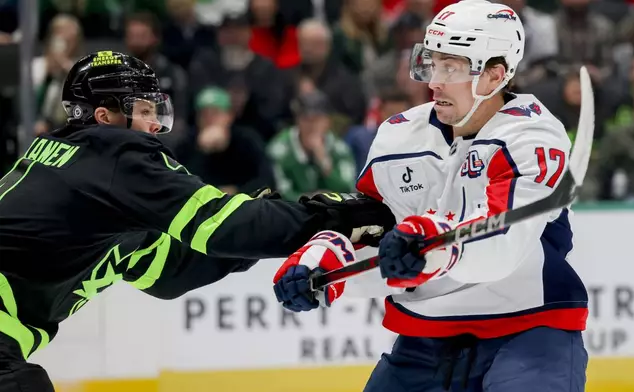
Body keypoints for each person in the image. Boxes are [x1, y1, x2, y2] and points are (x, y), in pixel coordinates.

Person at [0, 51, 395, 391]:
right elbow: (222, 225)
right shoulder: (114, 154)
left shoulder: (76, 171)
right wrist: (334, 217)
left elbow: (169, 274)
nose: (155, 125)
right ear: (105, 117)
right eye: (144, 111)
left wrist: (251, 242)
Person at [272, 1, 589, 391]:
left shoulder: (532, 137)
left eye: (452, 67)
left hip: (529, 329)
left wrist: (437, 247)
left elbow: (500, 251)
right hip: (425, 340)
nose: (435, 81)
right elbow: (386, 241)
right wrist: (331, 261)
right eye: (432, 62)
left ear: (495, 75)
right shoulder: (397, 136)